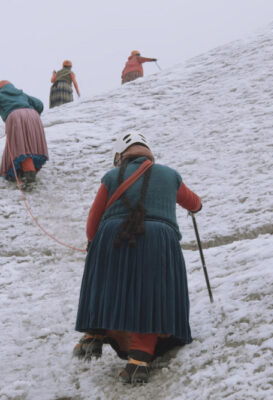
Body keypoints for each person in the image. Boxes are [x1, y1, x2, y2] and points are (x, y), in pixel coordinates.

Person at [73, 132, 202, 385]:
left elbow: (92, 223)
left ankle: (94, 333)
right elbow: (194, 203)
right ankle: (139, 360)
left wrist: (94, 243)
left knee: (109, 285)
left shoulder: (111, 177)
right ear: (148, 154)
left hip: (114, 235)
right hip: (158, 239)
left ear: (121, 156)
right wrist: (196, 208)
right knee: (152, 294)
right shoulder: (170, 175)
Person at [0, 80, 48, 186]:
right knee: (30, 143)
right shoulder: (21, 94)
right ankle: (25, 170)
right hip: (33, 116)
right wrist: (32, 114)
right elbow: (39, 104)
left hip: (15, 117)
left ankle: (29, 176)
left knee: (21, 146)